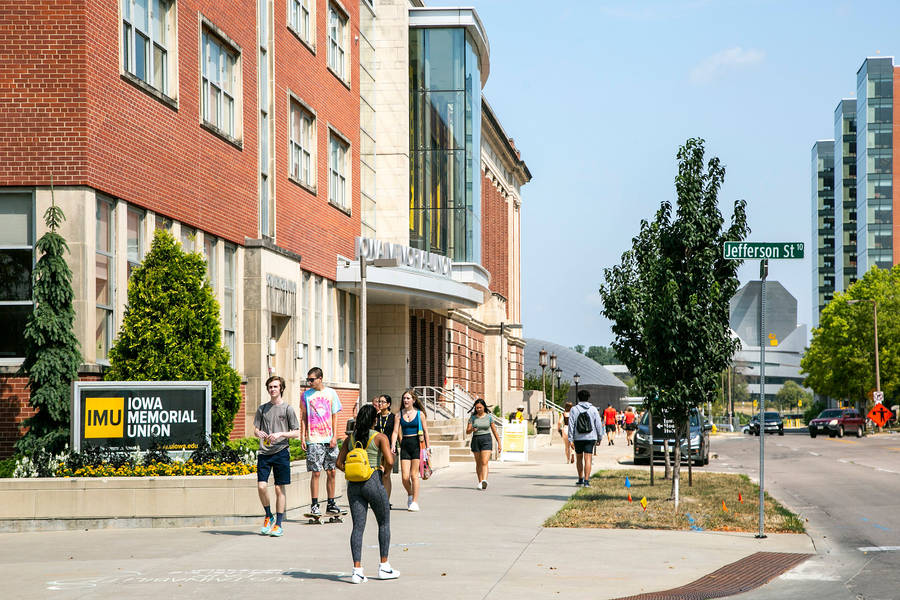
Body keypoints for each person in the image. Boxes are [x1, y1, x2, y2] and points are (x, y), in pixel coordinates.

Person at [336, 404, 399, 584]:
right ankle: (384, 567)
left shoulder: (350, 438)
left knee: (357, 527)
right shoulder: (380, 437)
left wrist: (353, 472)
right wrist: (384, 473)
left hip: (353, 485)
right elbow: (390, 460)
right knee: (384, 522)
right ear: (374, 420)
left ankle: (357, 571)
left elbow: (339, 463)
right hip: (373, 480)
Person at [253, 375, 301, 537]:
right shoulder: (262, 409)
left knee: (279, 489)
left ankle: (279, 524)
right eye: (270, 387)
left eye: (275, 386)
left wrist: (281, 434)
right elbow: (255, 429)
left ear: (281, 388)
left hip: (281, 452)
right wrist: (258, 433)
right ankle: (268, 515)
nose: (272, 389)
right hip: (264, 453)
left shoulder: (288, 409)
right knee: (261, 486)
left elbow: (296, 433)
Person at [300, 366, 342, 518]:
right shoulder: (305, 395)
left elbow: (335, 416)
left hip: (328, 438)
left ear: (320, 379)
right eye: (308, 379)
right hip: (314, 438)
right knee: (316, 472)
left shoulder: (331, 393)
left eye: (312, 379)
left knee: (331, 471)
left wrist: (334, 436)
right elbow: (303, 416)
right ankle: (315, 504)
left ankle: (331, 503)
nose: (309, 382)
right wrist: (303, 437)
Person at [390, 389, 430, 511]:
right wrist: (393, 445)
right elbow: (396, 431)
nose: (405, 400)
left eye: (408, 398)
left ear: (413, 400)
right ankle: (410, 493)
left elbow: (426, 431)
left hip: (417, 445)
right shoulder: (399, 415)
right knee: (405, 477)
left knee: (414, 475)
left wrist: (428, 448)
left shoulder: (420, 414)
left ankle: (415, 502)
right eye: (404, 398)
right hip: (405, 445)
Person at [568, 390, 604, 487]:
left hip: (578, 437)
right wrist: (600, 437)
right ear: (588, 398)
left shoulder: (574, 409)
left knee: (579, 458)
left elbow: (571, 425)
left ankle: (580, 479)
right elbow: (598, 424)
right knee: (588, 459)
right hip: (590, 437)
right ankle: (587, 481)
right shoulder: (593, 409)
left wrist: (570, 439)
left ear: (578, 398)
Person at [466, 398, 501, 489]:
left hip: (486, 439)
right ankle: (480, 482)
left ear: (484, 407)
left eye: (480, 408)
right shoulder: (473, 418)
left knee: (484, 461)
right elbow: (467, 431)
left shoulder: (489, 417)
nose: (478, 409)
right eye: (477, 408)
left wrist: (499, 443)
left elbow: (494, 431)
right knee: (478, 463)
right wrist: (472, 429)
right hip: (476, 440)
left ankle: (484, 480)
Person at [372, 394, 396, 504]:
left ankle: (385, 501)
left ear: (388, 404)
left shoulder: (393, 417)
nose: (380, 404)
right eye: (379, 402)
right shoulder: (376, 417)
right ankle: (378, 499)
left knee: (386, 475)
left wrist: (395, 447)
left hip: (389, 449)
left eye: (382, 402)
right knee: (378, 474)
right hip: (376, 449)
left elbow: (397, 433)